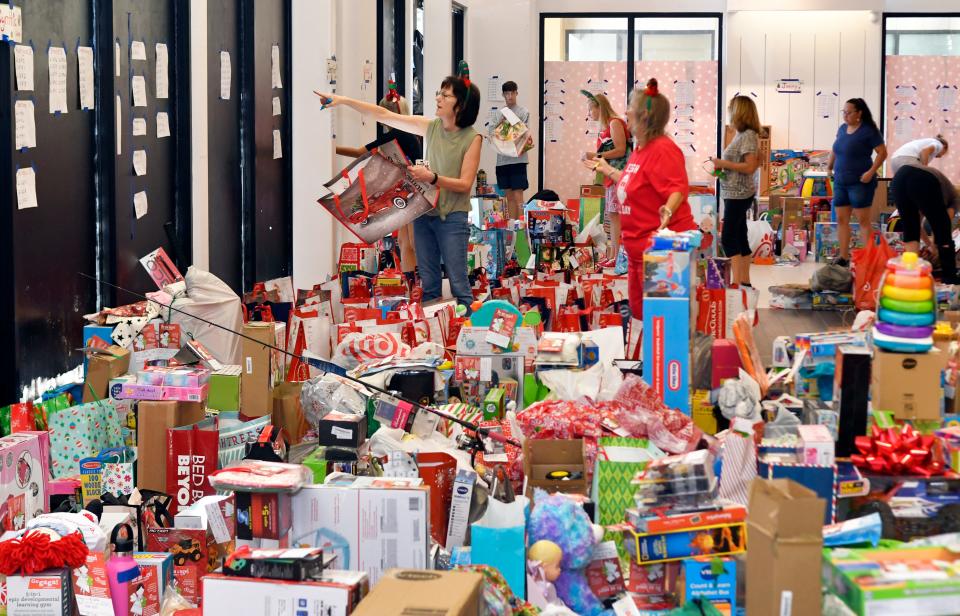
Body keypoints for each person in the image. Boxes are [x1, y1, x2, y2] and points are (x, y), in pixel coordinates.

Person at [315, 69, 482, 311]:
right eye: (440, 94)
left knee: (459, 284)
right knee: (429, 284)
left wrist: (432, 177)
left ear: (461, 106)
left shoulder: (472, 139)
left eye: (445, 96)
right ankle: (434, 338)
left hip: (453, 219)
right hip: (425, 215)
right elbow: (382, 113)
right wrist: (343, 100)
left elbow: (465, 184)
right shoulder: (432, 127)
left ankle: (466, 339)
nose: (438, 99)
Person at [586, 79, 697, 319]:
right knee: (641, 317)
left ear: (644, 115)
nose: (625, 111)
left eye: (630, 106)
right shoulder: (640, 149)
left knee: (662, 327)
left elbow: (677, 188)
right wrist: (607, 169)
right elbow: (632, 183)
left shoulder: (663, 149)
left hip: (661, 254)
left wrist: (667, 211)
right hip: (638, 252)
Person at [334, 91, 421, 282]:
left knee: (411, 242)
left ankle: (415, 281)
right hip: (412, 188)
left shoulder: (397, 133)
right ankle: (411, 282)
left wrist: (331, 147)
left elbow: (359, 152)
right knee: (405, 241)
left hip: (413, 189)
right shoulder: (408, 132)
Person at [827, 98, 887, 267]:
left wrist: (871, 172)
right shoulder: (842, 129)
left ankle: (868, 257)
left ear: (859, 113)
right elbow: (835, 149)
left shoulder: (869, 131)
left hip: (860, 183)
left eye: (849, 112)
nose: (845, 116)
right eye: (843, 112)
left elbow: (882, 153)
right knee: (841, 219)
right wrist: (829, 167)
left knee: (863, 221)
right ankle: (844, 257)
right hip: (840, 181)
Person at [709, 95, 761, 287]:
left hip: (739, 194)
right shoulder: (744, 135)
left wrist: (723, 163)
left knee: (728, 238)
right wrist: (723, 169)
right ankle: (744, 282)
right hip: (735, 192)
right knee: (739, 236)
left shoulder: (747, 135)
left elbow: (749, 166)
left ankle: (736, 282)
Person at [891, 162, 959, 284]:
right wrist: (935, 246)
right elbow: (942, 225)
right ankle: (950, 277)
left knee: (910, 229)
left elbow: (917, 224)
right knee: (943, 231)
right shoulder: (955, 200)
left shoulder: (941, 191)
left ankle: (910, 274)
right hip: (922, 178)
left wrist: (930, 244)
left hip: (899, 178)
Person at [583, 92, 630, 266]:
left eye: (590, 109)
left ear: (599, 107)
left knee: (615, 216)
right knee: (612, 215)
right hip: (610, 176)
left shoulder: (615, 123)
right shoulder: (607, 127)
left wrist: (596, 154)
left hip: (618, 175)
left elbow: (620, 149)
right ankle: (613, 254)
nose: (589, 114)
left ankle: (617, 257)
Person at [489, 81, 532, 220]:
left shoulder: (523, 112)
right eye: (507, 93)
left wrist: (509, 126)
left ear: (516, 93)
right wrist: (501, 122)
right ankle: (513, 227)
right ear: (503, 95)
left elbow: (522, 133)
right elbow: (491, 133)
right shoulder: (498, 114)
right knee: (508, 196)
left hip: (518, 159)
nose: (510, 96)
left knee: (518, 195)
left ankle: (522, 229)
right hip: (502, 161)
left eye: (512, 92)